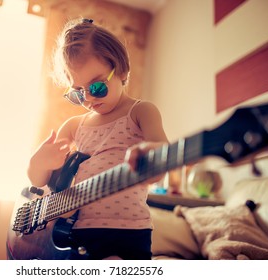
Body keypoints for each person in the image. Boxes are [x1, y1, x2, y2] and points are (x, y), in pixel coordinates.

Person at [27, 18, 168, 260]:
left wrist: (151, 153)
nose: (89, 100)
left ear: (121, 70)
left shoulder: (142, 112)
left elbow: (162, 160)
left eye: (97, 87)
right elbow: (48, 184)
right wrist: (38, 164)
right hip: (77, 231)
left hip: (129, 231)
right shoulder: (73, 126)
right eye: (78, 93)